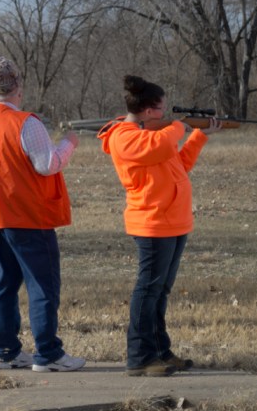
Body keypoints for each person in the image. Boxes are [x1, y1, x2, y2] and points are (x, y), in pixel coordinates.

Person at [0, 57, 86, 372]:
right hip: (29, 216)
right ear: (18, 88)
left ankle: (5, 351)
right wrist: (68, 144)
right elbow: (48, 164)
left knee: (4, 282)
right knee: (42, 285)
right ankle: (48, 354)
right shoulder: (27, 123)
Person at [98, 75, 222, 377]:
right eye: (162, 110)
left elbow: (179, 162)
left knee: (160, 291)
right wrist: (181, 125)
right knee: (148, 290)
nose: (166, 115)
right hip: (152, 222)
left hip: (174, 221)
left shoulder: (153, 137)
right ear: (149, 111)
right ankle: (140, 358)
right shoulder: (124, 137)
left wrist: (199, 135)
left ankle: (160, 351)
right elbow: (164, 142)